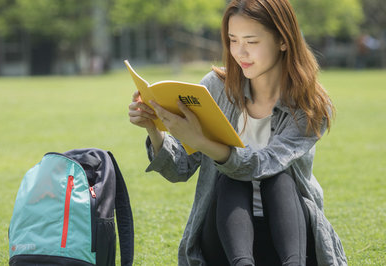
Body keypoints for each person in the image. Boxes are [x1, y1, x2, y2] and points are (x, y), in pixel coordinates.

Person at [128, 0, 347, 265]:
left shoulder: (309, 105)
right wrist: (155, 128)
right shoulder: (215, 89)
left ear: (283, 41)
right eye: (233, 40)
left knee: (277, 180)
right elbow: (180, 169)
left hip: (291, 235)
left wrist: (201, 140)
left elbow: (262, 164)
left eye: (251, 42)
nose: (240, 52)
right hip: (227, 235)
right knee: (230, 179)